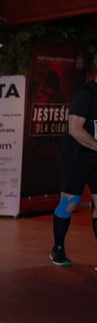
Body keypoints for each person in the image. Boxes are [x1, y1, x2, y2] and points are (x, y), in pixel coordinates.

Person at [49, 60, 97, 268]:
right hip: (77, 157)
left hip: (96, 157)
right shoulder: (86, 94)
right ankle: (57, 248)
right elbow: (75, 129)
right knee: (70, 203)